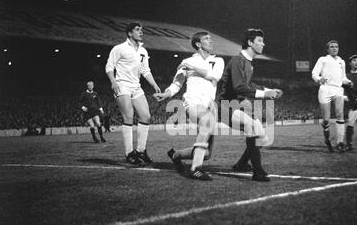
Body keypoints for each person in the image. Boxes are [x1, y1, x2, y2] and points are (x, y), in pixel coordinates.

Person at [154, 32, 224, 180]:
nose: (211, 41)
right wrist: (166, 94)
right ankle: (195, 169)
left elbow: (215, 76)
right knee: (207, 121)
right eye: (206, 39)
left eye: (210, 38)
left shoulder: (218, 61)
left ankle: (176, 154)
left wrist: (192, 67)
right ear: (198, 44)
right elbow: (177, 84)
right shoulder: (187, 61)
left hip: (210, 106)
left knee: (206, 154)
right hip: (192, 102)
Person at [217, 28, 282, 182]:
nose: (263, 44)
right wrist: (265, 94)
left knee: (263, 138)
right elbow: (240, 87)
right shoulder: (237, 61)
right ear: (249, 42)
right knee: (253, 129)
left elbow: (249, 84)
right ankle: (258, 172)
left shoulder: (247, 63)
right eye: (259, 41)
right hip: (227, 106)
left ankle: (241, 164)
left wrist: (268, 89)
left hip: (236, 106)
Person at [105, 22, 161, 165]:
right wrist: (113, 81)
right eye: (137, 30)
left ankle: (140, 151)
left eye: (142, 30)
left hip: (136, 86)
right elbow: (109, 66)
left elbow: (145, 70)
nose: (141, 32)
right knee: (128, 116)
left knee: (146, 116)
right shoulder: (119, 48)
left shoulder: (143, 51)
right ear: (130, 33)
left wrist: (154, 84)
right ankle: (129, 154)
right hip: (122, 84)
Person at [312, 40, 352, 153]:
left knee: (340, 114)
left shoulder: (342, 61)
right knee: (326, 119)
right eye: (332, 47)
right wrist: (319, 79)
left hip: (338, 89)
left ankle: (340, 143)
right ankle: (327, 138)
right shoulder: (323, 59)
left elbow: (343, 77)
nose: (334, 48)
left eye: (336, 47)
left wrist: (348, 81)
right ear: (328, 49)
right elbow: (314, 73)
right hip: (325, 89)